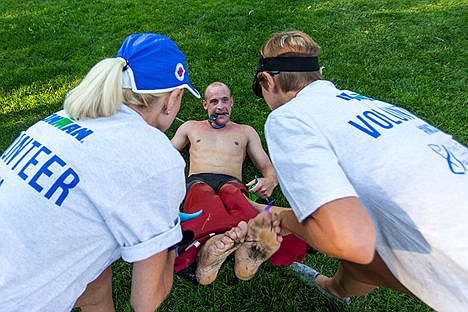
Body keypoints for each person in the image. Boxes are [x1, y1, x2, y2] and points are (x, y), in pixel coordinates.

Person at [250, 30, 468, 311]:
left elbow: (347, 240)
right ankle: (335, 290)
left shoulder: (288, 118)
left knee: (351, 239)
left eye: (260, 90)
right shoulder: (358, 103)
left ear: (268, 81)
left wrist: (276, 216)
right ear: (320, 73)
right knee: (361, 243)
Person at [0, 33, 201, 311]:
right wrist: (175, 239)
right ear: (172, 98)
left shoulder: (66, 116)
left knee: (96, 271)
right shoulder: (157, 157)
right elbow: (146, 300)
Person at [171, 81, 309, 285]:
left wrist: (270, 180)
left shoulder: (245, 132)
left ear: (232, 103)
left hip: (232, 183)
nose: (220, 106)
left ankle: (236, 248)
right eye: (214, 101)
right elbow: (169, 152)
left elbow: (266, 166)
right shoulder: (190, 127)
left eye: (225, 100)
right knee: (203, 201)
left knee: (239, 202)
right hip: (199, 180)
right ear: (205, 105)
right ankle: (227, 245)